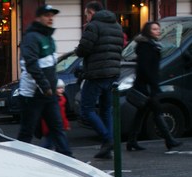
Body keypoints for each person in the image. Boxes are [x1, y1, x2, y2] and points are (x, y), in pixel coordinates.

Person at [16, 4, 72, 157]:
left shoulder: (48, 37)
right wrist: (46, 86)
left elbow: (51, 67)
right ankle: (19, 159)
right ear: (38, 17)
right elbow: (31, 64)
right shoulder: (32, 38)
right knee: (27, 131)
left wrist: (53, 86)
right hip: (33, 94)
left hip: (48, 93)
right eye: (47, 15)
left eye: (52, 15)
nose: (50, 18)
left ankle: (67, 157)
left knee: (56, 127)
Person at [74, 1, 124, 160]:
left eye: (87, 14)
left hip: (96, 74)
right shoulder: (117, 26)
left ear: (92, 12)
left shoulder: (93, 26)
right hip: (113, 74)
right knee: (106, 110)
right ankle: (107, 147)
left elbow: (83, 49)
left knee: (86, 109)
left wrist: (77, 51)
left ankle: (107, 138)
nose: (86, 17)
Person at [126, 21, 183, 152]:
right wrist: (153, 85)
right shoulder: (146, 46)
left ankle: (132, 141)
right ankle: (169, 140)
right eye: (155, 29)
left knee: (141, 113)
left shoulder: (152, 45)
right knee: (157, 110)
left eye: (158, 29)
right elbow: (145, 69)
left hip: (146, 85)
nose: (158, 31)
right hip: (146, 87)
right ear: (148, 31)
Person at [40, 79, 70, 147]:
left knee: (51, 142)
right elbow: (61, 115)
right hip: (53, 125)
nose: (61, 90)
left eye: (62, 88)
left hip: (55, 125)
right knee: (51, 142)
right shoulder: (57, 100)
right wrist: (65, 125)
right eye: (59, 88)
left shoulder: (61, 98)